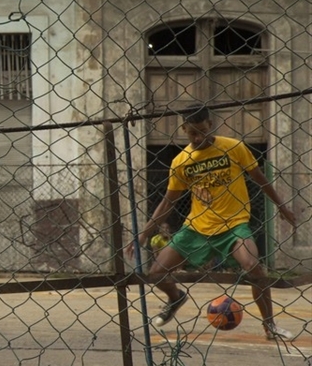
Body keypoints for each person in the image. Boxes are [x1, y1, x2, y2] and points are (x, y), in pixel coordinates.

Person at [128, 105, 299, 341]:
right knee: (156, 273)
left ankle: (270, 325)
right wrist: (144, 234)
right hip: (196, 228)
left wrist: (282, 206)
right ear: (183, 129)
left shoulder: (234, 148)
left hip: (233, 225)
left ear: (211, 124)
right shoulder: (181, 161)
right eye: (192, 133)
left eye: (202, 131)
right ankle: (176, 298)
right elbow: (168, 202)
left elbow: (260, 179)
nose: (198, 138)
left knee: (254, 267)